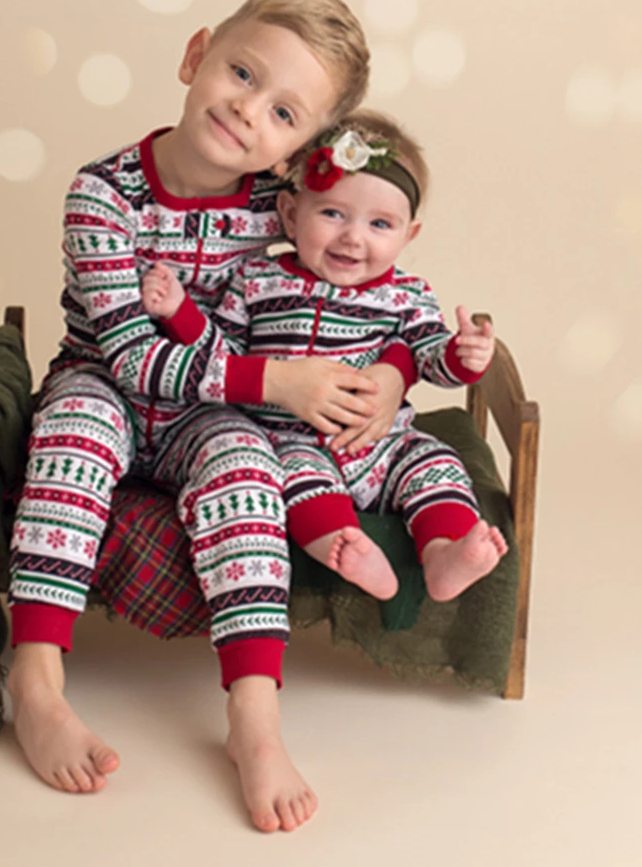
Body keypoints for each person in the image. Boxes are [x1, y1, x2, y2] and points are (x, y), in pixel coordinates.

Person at [7, 0, 411, 833]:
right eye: (241, 71)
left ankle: (254, 723)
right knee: (74, 432)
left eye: (284, 111)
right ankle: (38, 684)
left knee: (246, 465)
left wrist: (395, 376)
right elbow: (133, 355)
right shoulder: (104, 194)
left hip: (207, 415)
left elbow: (359, 272)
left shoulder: (283, 207)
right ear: (196, 56)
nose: (247, 110)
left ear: (302, 151)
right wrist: (278, 382)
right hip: (106, 382)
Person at [142, 109, 508, 606]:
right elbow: (222, 355)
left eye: (380, 223)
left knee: (434, 461)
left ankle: (444, 554)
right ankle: (345, 545)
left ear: (408, 235)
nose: (353, 237)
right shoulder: (257, 280)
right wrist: (180, 312)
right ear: (291, 214)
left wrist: (464, 356)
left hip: (380, 444)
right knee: (295, 481)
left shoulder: (407, 295)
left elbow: (429, 358)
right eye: (333, 213)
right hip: (290, 439)